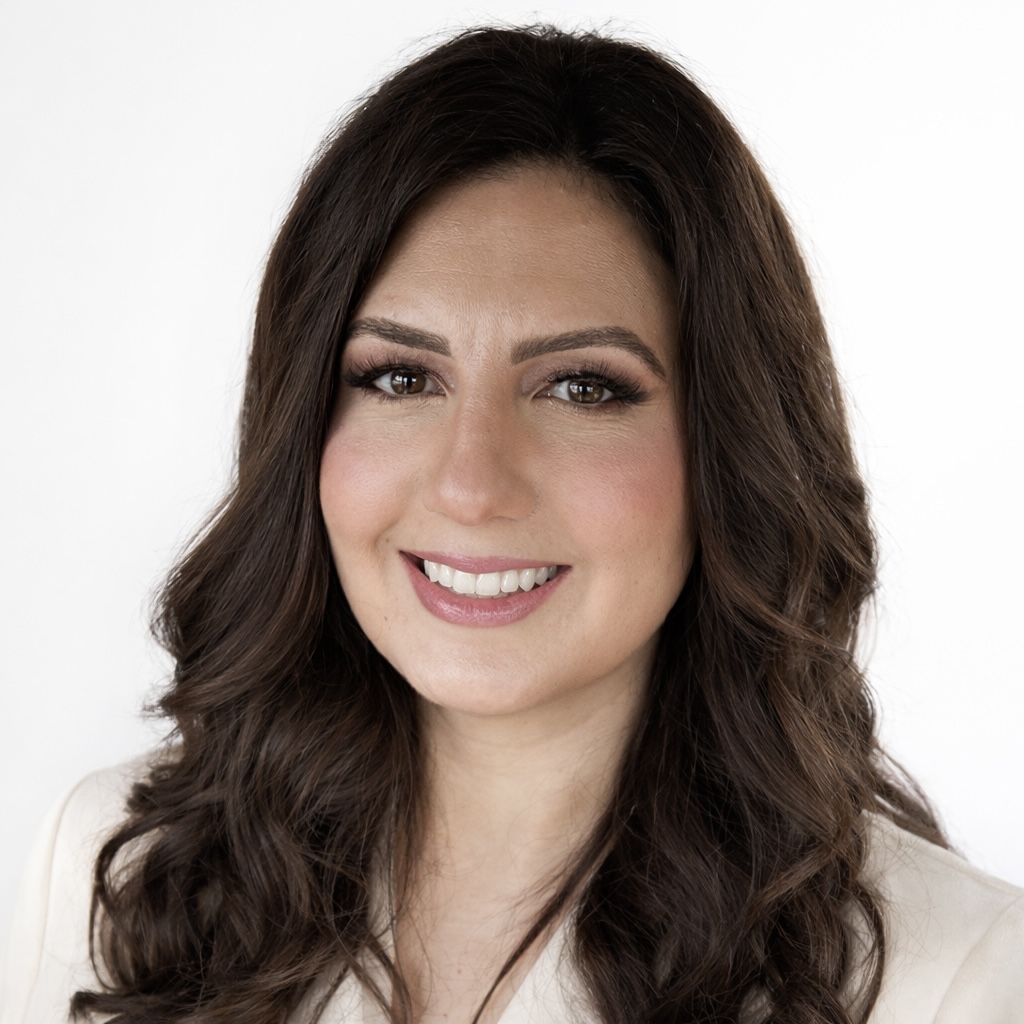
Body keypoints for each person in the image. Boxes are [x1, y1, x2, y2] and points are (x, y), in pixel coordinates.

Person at [3, 24, 1022, 1024]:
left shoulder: (955, 980)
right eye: (400, 377)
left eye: (581, 387)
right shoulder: (109, 873)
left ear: (731, 448)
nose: (471, 485)